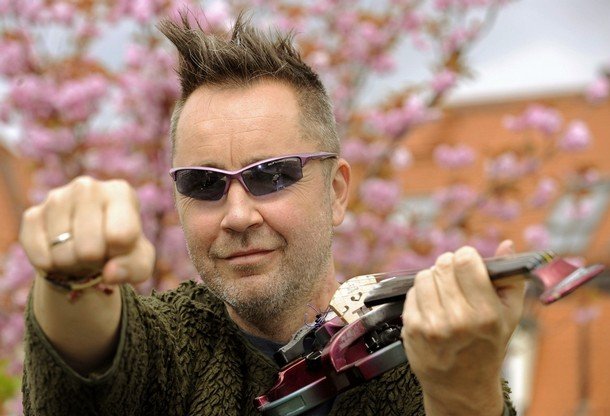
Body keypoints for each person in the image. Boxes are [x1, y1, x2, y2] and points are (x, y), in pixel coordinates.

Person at [19, 12, 523, 416]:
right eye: (204, 183)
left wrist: (462, 391)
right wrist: (70, 275)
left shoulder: (429, 365)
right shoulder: (165, 349)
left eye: (273, 175)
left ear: (336, 192)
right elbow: (83, 366)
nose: (238, 216)